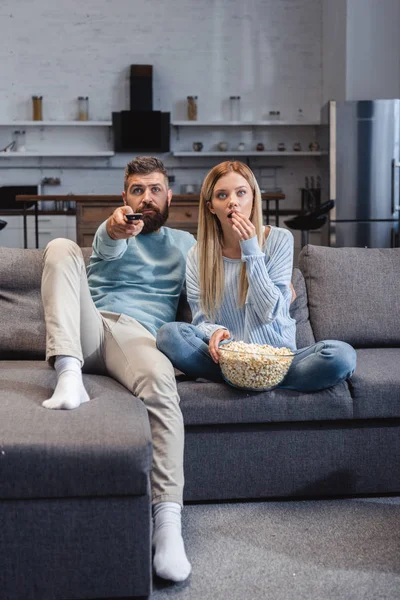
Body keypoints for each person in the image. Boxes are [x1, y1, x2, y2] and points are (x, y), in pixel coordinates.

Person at [41, 156, 195, 583]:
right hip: (87, 327)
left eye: (155, 189)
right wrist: (113, 230)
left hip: (136, 338)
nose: (147, 198)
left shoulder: (186, 246)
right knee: (58, 246)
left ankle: (167, 528)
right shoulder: (114, 230)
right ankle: (69, 374)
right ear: (123, 198)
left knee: (162, 384)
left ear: (170, 196)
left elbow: (206, 299)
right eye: (137, 190)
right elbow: (110, 242)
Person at [156, 160, 356, 391]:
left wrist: (251, 250)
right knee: (169, 335)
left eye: (241, 193)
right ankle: (250, 378)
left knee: (341, 356)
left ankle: (248, 379)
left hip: (279, 360)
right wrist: (215, 332)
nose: (233, 202)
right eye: (222, 195)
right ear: (211, 207)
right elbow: (201, 322)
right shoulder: (197, 255)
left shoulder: (280, 240)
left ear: (253, 198)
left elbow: (269, 312)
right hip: (227, 358)